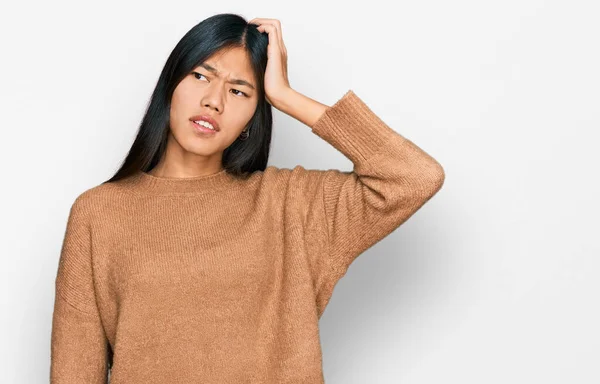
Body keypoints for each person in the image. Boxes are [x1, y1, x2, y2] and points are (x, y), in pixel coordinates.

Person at [50, 12, 445, 384]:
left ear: (253, 117)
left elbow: (414, 176)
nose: (214, 101)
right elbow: (74, 370)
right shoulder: (99, 212)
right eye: (201, 76)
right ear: (170, 86)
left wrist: (287, 96)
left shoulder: (289, 204)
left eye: (239, 91)